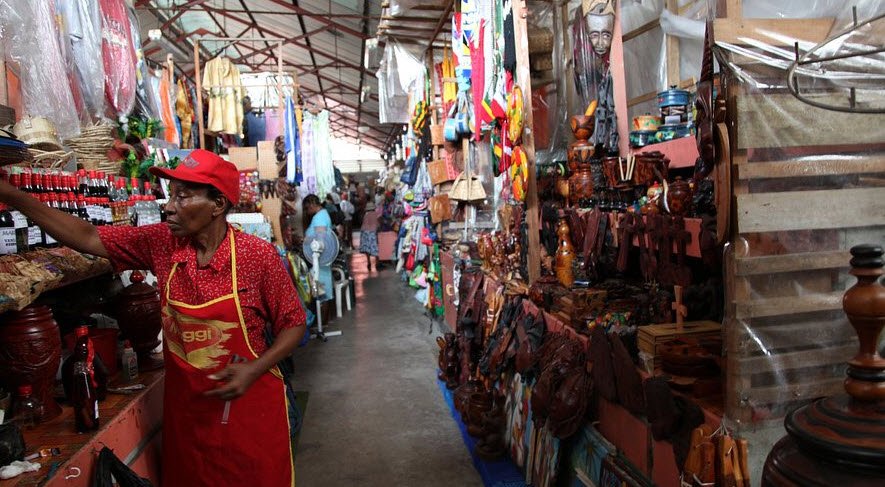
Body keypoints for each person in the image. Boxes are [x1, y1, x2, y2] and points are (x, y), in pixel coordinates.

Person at [0, 150, 305, 486]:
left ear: (217, 204)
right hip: (190, 421)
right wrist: (12, 195)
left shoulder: (256, 256)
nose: (169, 205)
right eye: (170, 194)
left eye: (183, 196)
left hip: (251, 417)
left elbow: (293, 323)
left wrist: (254, 367)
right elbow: (87, 237)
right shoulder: (162, 243)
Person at [302, 194, 334, 303]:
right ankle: (323, 318)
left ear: (311, 205)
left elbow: (321, 240)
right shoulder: (322, 214)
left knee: (322, 293)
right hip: (320, 261)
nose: (306, 212)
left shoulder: (319, 217)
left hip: (319, 260)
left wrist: (305, 240)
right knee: (322, 292)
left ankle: (323, 319)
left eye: (306, 208)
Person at [359, 205, 380, 272]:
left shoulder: (366, 214)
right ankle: (377, 263)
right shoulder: (375, 214)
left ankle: (368, 262)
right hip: (372, 232)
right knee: (375, 247)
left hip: (364, 232)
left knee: (367, 248)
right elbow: (378, 224)